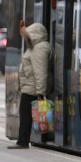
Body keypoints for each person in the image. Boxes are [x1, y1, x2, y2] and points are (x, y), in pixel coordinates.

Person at [8, 21, 53, 149]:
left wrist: (40, 92)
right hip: (29, 86)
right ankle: (23, 140)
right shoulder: (35, 47)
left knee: (26, 115)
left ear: (35, 34)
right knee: (26, 115)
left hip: (32, 88)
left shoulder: (40, 48)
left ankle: (22, 141)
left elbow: (41, 72)